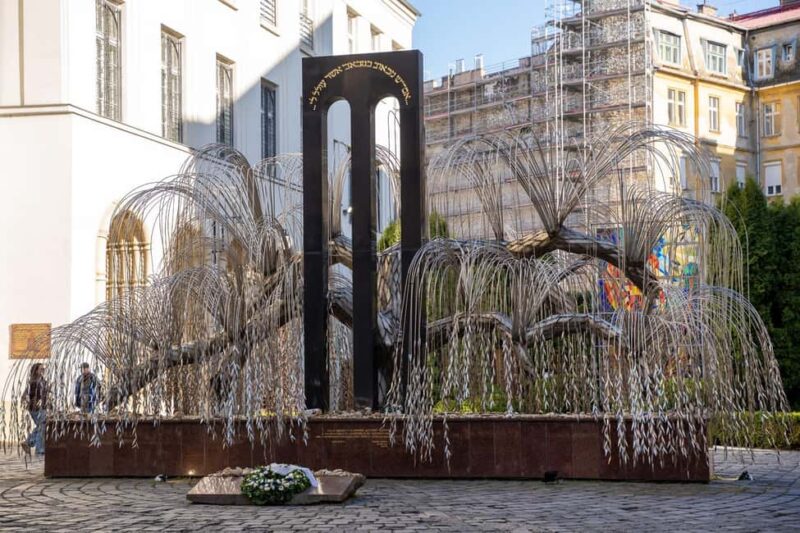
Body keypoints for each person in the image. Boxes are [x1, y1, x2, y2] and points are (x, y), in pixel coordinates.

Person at [22, 363, 48, 456]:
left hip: (43, 407)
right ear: (36, 371)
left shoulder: (43, 381)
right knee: (41, 426)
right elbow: (24, 396)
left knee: (41, 426)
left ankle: (29, 442)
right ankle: (39, 449)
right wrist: (33, 402)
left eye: (43, 368)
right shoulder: (33, 382)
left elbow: (45, 394)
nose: (43, 370)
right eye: (41, 369)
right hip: (36, 408)